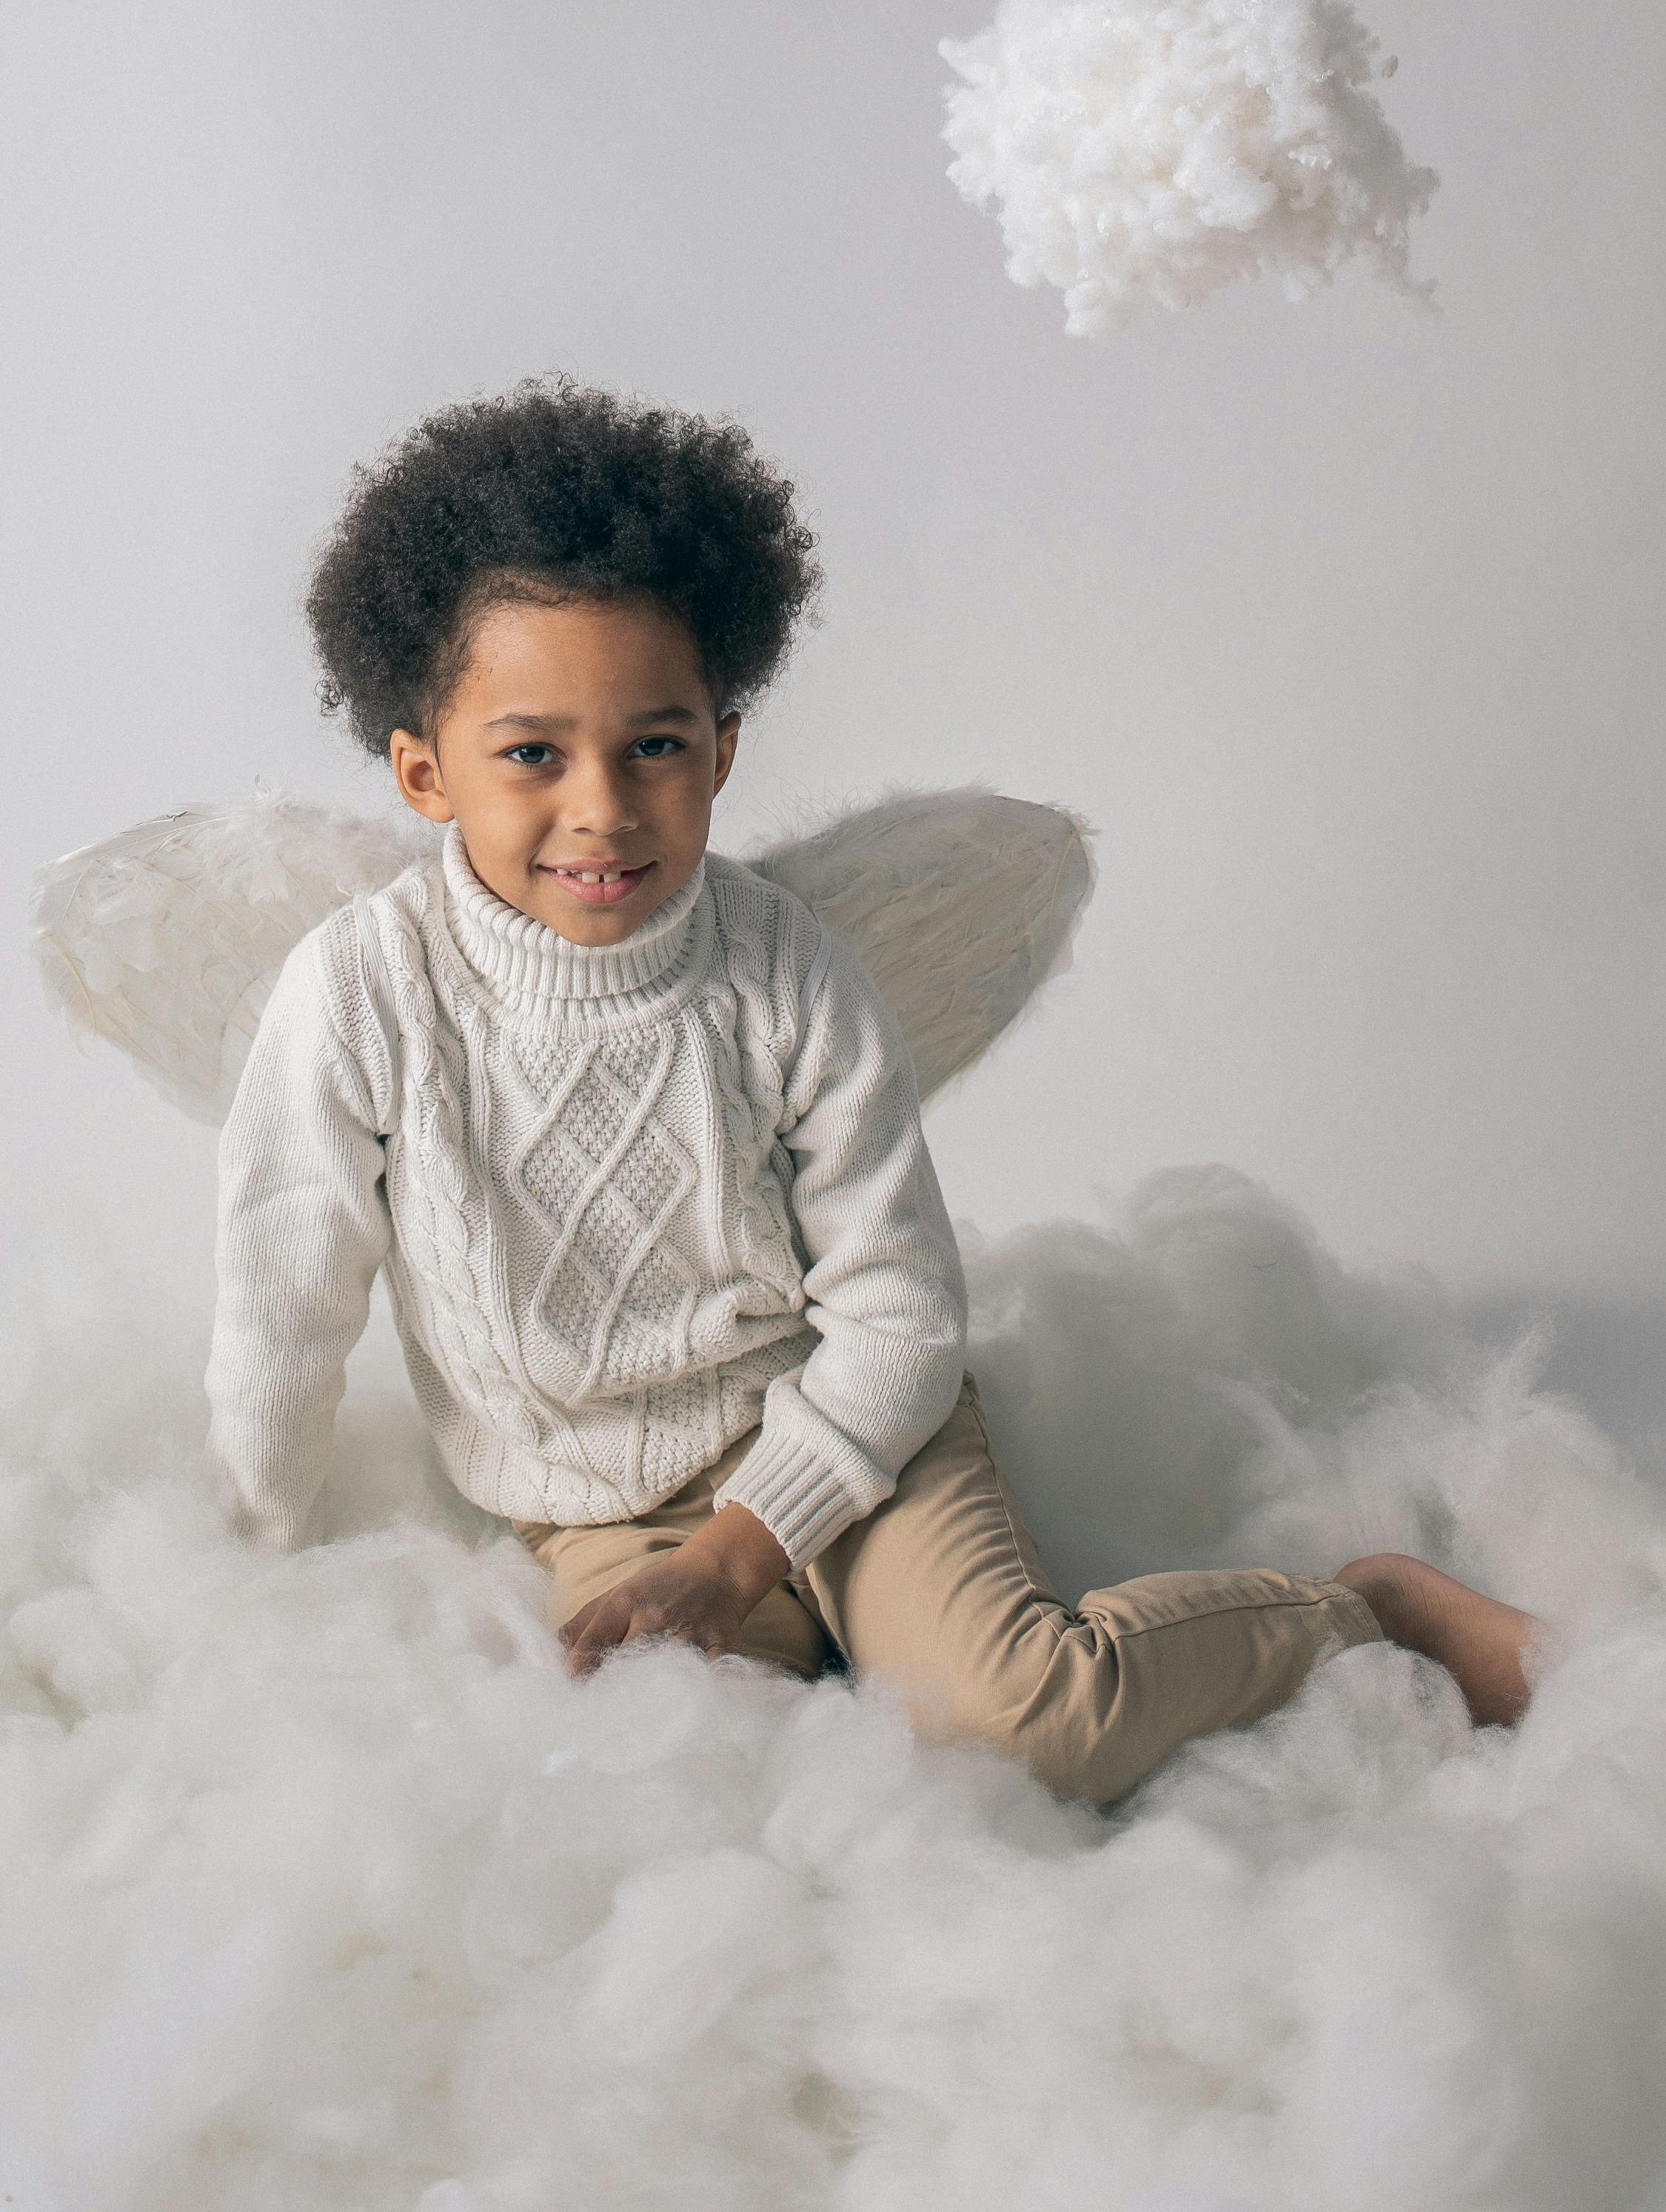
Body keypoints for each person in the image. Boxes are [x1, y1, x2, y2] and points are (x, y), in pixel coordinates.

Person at [207, 381, 1536, 1805]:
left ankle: (1361, 1617)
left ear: (722, 750)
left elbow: (900, 1310)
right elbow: (284, 1308)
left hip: (857, 1430)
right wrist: (250, 1584)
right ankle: (826, 1651)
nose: (600, 804)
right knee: (702, 1786)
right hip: (593, 1507)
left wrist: (746, 1548)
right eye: (531, 753)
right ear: (424, 772)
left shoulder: (783, 976)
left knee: (1017, 1728)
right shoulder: (360, 994)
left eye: (654, 744)